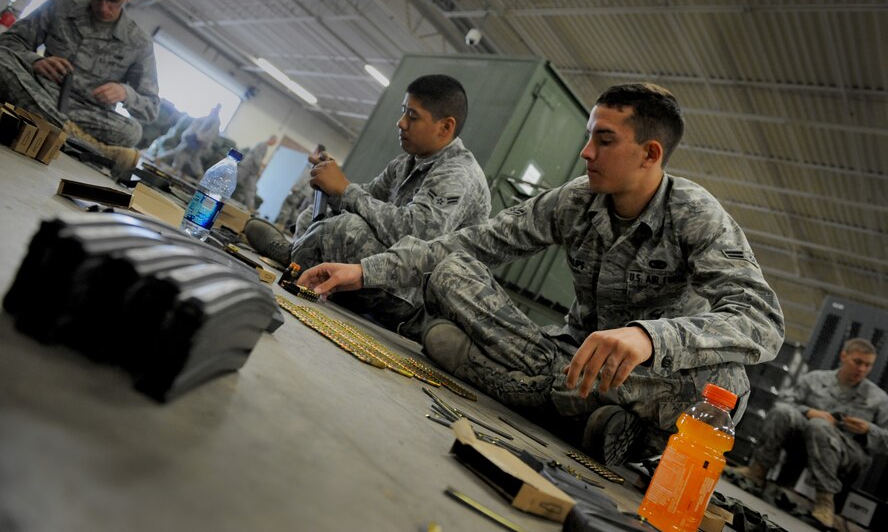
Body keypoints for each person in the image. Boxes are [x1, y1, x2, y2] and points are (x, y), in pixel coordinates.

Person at [296, 83, 785, 465]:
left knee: (724, 383)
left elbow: (762, 322)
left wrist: (649, 338)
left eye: (604, 140)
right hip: (566, 357)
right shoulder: (577, 199)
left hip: (645, 380)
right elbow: (473, 242)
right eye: (589, 136)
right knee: (450, 269)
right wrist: (365, 271)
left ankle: (515, 386)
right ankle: (571, 407)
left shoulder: (694, 213)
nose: (586, 152)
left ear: (651, 153)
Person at [250, 74, 491, 339]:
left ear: (445, 127)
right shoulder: (405, 163)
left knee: (347, 229)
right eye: (403, 112)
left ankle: (293, 259)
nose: (401, 123)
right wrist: (331, 183)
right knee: (316, 213)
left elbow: (415, 237)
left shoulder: (458, 173)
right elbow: (365, 199)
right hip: (385, 267)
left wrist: (345, 189)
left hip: (414, 294)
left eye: (412, 115)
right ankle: (301, 259)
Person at [0, 0, 159, 170]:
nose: (103, 7)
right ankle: (81, 142)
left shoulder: (139, 42)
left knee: (132, 131)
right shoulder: (61, 6)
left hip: (87, 113)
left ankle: (56, 127)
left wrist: (125, 93)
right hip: (41, 89)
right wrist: (34, 61)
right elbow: (8, 42)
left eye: (113, 1)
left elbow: (151, 109)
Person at [727, 338, 888, 528]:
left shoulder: (878, 399)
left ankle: (825, 502)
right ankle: (757, 470)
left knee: (819, 426)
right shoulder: (816, 379)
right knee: (783, 412)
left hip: (848, 452)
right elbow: (784, 401)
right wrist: (809, 412)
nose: (862, 369)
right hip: (805, 439)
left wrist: (869, 429)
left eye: (868, 365)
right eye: (858, 362)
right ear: (844, 356)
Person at [148, 104, 222, 179]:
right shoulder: (207, 118)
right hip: (192, 138)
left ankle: (175, 168)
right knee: (183, 153)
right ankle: (165, 162)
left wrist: (200, 139)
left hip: (198, 141)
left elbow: (210, 133)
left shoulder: (215, 121)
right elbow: (195, 126)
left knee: (186, 155)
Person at [275, 143, 327, 231]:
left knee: (288, 204)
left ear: (318, 152)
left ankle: (280, 224)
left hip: (300, 189)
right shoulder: (320, 165)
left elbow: (305, 177)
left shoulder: (314, 163)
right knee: (295, 210)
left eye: (315, 150)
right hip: (306, 192)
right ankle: (294, 229)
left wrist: (296, 187)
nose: (312, 151)